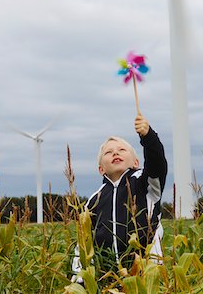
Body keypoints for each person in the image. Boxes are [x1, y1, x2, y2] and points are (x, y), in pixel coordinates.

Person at [71, 113, 168, 280]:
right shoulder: (94, 201)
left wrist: (149, 137)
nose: (115, 153)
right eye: (108, 152)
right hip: (107, 279)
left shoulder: (146, 185)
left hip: (147, 276)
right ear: (101, 169)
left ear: (136, 162)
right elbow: (84, 244)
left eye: (122, 150)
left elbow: (157, 163)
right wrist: (80, 280)